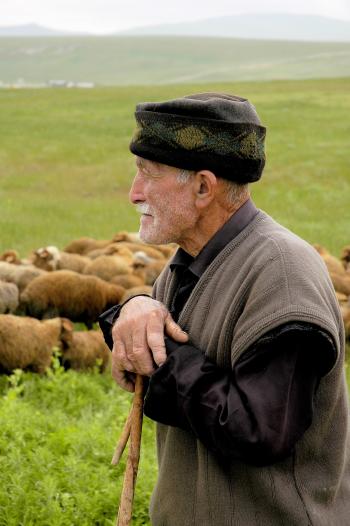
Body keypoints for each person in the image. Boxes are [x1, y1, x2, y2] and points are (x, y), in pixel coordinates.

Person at [99, 93, 350, 525]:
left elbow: (258, 430)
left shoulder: (282, 273)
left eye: (147, 174)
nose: (133, 193)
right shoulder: (188, 265)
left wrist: (160, 356)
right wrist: (135, 308)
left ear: (202, 187)